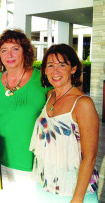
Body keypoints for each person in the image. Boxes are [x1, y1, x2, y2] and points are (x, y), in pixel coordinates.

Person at [29, 44, 99, 203]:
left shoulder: (83, 103)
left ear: (73, 69)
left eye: (62, 65)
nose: (55, 71)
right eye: (50, 65)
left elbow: (90, 157)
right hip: (45, 186)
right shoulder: (50, 95)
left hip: (73, 192)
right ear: (45, 70)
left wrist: (77, 199)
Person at [0, 29, 50, 202]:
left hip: (32, 162)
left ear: (25, 51)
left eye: (15, 48)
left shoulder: (43, 80)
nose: (9, 54)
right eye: (4, 50)